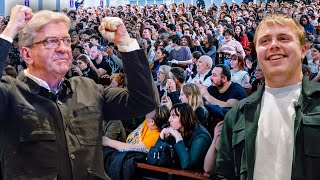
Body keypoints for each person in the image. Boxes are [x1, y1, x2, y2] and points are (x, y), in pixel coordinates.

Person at [0, 5, 156, 180]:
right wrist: (9, 31)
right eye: (51, 41)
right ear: (27, 55)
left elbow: (144, 101)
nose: (63, 48)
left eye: (66, 40)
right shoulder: (10, 93)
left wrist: (125, 42)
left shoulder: (89, 88)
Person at [212, 14, 320, 180]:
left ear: (302, 50)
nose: (274, 45)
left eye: (283, 38)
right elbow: (223, 174)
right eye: (265, 41)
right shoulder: (237, 114)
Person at [159, 103, 211, 170]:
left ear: (185, 118)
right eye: (170, 116)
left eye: (174, 116)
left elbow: (187, 165)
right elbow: (156, 156)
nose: (169, 120)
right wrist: (161, 137)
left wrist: (178, 137)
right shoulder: (177, 130)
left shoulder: (201, 137)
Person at [102, 105, 170, 150]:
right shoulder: (149, 123)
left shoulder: (155, 137)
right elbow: (159, 113)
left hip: (130, 158)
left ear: (152, 122)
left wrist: (108, 142)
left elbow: (131, 148)